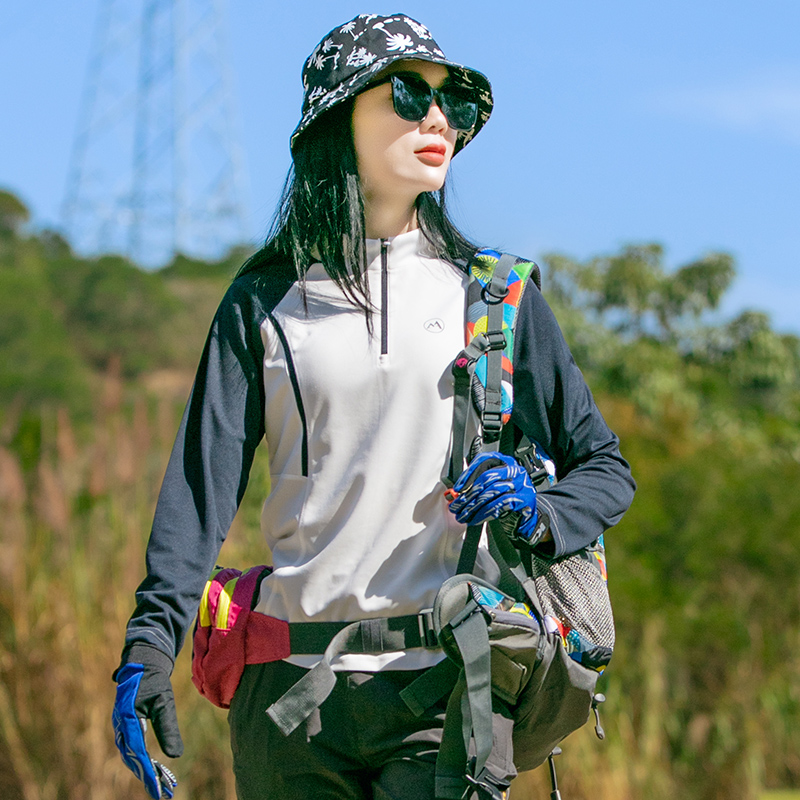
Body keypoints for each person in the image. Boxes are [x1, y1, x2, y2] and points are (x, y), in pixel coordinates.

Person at [112, 13, 635, 800]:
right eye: (406, 93)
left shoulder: (495, 296)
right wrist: (150, 645)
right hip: (286, 701)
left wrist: (540, 511)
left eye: (453, 105)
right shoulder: (263, 302)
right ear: (335, 117)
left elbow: (607, 469)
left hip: (447, 690)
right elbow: (198, 492)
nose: (437, 119)